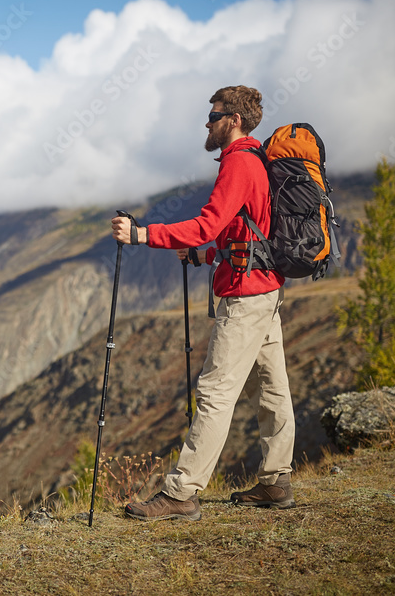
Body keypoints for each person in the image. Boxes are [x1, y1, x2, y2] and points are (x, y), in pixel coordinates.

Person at [111, 85, 295, 521]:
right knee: (272, 388)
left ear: (233, 120)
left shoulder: (239, 163)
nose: (207, 124)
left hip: (246, 297)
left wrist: (142, 235)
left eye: (213, 116)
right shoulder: (256, 162)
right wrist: (205, 257)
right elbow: (245, 232)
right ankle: (276, 482)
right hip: (265, 289)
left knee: (215, 392)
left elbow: (207, 224)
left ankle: (182, 493)